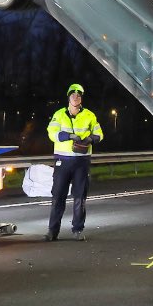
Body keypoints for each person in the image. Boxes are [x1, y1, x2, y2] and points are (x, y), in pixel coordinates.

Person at [44, 83, 103, 241]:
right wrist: (69, 136)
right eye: (73, 95)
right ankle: (52, 231)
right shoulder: (59, 114)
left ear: (81, 98)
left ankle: (77, 230)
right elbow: (52, 133)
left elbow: (99, 134)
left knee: (80, 197)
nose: (76, 97)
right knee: (58, 196)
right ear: (69, 97)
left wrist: (90, 138)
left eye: (79, 95)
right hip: (62, 161)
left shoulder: (89, 115)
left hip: (81, 162)